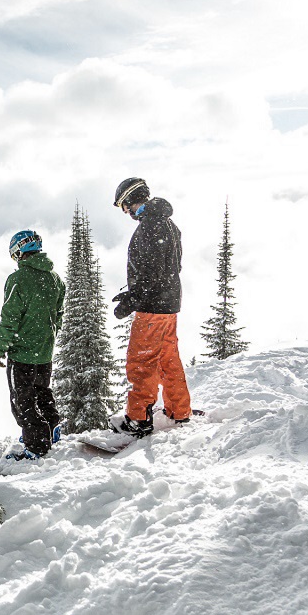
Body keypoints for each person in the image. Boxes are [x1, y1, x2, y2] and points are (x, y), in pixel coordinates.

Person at [110, 177, 193, 437]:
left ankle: (138, 419)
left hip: (152, 307)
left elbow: (152, 273)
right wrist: (133, 293)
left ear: (134, 199)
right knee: (167, 359)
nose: (127, 213)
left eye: (125, 206)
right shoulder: (167, 223)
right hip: (168, 303)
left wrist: (133, 300)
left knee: (142, 361)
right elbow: (170, 267)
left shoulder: (150, 226)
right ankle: (179, 410)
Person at [0, 230, 66, 459]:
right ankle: (51, 428)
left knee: (22, 401)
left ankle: (36, 446)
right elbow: (59, 314)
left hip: (22, 353)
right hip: (45, 351)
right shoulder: (55, 279)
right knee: (42, 391)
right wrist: (47, 337)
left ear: (20, 251)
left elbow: (10, 318)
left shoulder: (18, 280)